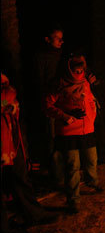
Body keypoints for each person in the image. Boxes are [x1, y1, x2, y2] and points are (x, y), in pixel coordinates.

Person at [1, 73, 59, 233]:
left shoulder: (6, 82)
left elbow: (11, 98)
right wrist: (7, 102)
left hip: (10, 138)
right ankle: (4, 230)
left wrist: (10, 103)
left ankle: (33, 214)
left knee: (20, 176)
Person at [44, 54, 102, 214]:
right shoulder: (59, 85)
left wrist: (92, 116)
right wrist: (66, 115)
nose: (79, 72)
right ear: (69, 69)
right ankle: (74, 199)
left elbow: (90, 99)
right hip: (68, 130)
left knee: (92, 158)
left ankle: (92, 182)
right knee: (72, 166)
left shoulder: (85, 82)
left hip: (87, 128)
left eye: (81, 69)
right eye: (76, 70)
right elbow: (47, 105)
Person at [32, 25, 66, 188]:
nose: (61, 41)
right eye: (57, 38)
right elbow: (39, 83)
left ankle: (66, 173)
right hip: (51, 104)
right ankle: (57, 177)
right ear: (47, 39)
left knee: (64, 138)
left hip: (64, 103)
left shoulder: (61, 55)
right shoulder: (41, 57)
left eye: (62, 37)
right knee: (52, 141)